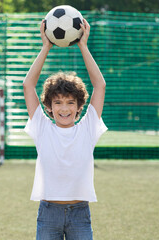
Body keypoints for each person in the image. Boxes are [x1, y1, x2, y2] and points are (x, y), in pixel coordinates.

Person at [23, 18, 107, 240]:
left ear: (80, 106)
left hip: (80, 213)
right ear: (48, 106)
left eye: (70, 102)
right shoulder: (41, 126)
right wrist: (45, 47)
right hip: (48, 213)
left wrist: (83, 46)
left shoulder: (88, 127)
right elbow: (28, 85)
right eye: (58, 102)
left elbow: (100, 85)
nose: (64, 108)